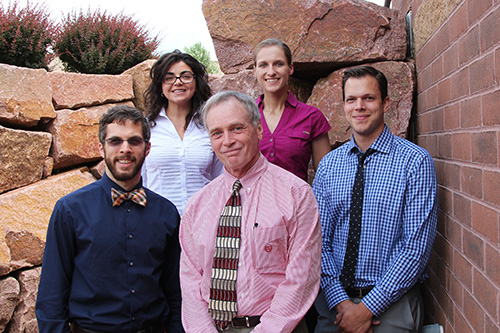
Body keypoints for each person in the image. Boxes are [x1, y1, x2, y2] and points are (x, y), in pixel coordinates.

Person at [179, 91, 321, 332]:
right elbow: (190, 279)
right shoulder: (197, 205)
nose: (227, 141)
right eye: (217, 133)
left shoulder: (296, 194)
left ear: (259, 130)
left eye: (237, 128)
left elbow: (301, 278)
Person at [36, 105, 183, 333]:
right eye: (115, 141)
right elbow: (52, 293)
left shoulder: (166, 213)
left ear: (147, 148)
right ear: (101, 149)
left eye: (134, 141)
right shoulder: (70, 210)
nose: (125, 149)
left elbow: (174, 289)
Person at [313, 66, 438, 333]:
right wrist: (341, 303)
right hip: (334, 306)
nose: (359, 106)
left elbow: (415, 250)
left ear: (386, 103)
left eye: (369, 98)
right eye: (351, 99)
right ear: (344, 105)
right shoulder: (328, 166)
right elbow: (317, 241)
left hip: (393, 305)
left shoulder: (415, 162)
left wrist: (367, 309)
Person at [142, 50, 223, 216]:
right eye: (169, 77)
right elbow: (140, 179)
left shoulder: (210, 125)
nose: (178, 82)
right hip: (157, 221)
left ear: (196, 81)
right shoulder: (147, 127)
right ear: (160, 85)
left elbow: (220, 177)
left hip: (203, 220)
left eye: (186, 76)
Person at [253, 38, 331, 181]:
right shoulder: (245, 116)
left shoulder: (312, 117)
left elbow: (325, 177)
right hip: (252, 202)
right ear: (255, 71)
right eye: (263, 65)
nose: (271, 72)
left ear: (291, 68)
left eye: (278, 64)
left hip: (297, 202)